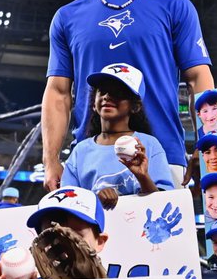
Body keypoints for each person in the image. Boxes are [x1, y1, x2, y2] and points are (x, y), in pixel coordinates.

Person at [42, 0, 214, 192]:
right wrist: (50, 159)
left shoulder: (174, 6)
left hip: (164, 155)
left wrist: (207, 142)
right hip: (88, 157)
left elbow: (198, 78)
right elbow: (58, 92)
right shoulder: (67, 16)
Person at [61, 62, 173, 208]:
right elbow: (67, 205)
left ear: (135, 106)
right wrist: (96, 201)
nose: (107, 96)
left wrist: (142, 176)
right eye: (102, 91)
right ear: (94, 104)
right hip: (97, 230)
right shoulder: (80, 151)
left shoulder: (149, 144)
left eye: (117, 93)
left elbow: (163, 205)